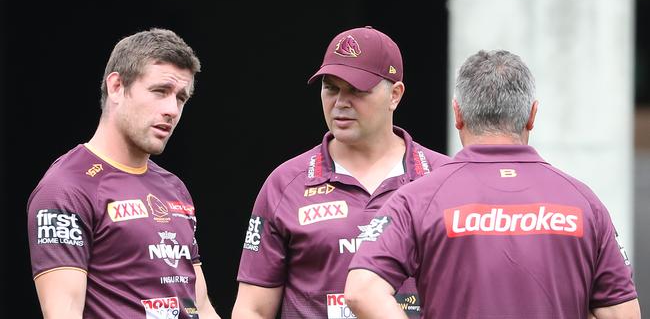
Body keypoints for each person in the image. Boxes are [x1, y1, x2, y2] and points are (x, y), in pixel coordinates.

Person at [344, 49, 641, 318]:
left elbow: (361, 291)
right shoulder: (583, 201)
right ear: (532, 115)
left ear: (457, 114)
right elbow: (622, 313)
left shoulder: (418, 198)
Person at [231, 26, 450, 318]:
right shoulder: (285, 183)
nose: (341, 103)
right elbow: (252, 310)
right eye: (331, 88)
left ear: (395, 95)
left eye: (357, 90)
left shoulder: (443, 177)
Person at [27, 28, 221, 319]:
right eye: (160, 91)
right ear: (117, 86)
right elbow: (63, 313)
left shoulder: (174, 187)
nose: (172, 109)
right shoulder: (66, 187)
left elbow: (201, 306)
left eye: (181, 98)